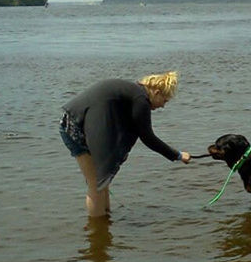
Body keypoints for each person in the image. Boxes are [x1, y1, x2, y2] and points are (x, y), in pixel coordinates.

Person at [59, 72, 191, 217]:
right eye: (164, 101)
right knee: (96, 184)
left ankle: (106, 222)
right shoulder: (141, 100)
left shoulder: (133, 93)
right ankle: (97, 232)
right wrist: (177, 155)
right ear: (157, 92)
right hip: (74, 125)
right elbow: (148, 138)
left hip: (83, 121)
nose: (163, 106)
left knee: (103, 181)